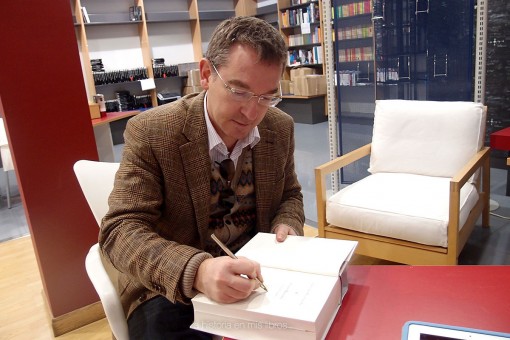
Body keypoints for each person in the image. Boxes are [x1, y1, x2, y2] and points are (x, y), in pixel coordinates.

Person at [99, 16, 305, 339]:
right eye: (239, 91)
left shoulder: (279, 128)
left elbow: (290, 194)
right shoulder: (154, 132)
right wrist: (198, 271)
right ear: (207, 74)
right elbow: (119, 230)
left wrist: (288, 223)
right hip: (172, 287)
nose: (252, 114)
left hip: (255, 278)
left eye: (267, 97)